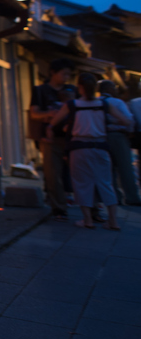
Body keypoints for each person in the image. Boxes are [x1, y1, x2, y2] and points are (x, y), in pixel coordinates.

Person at [48, 73, 129, 229]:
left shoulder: (72, 105)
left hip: (79, 147)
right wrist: (108, 124)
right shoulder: (104, 104)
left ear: (80, 88)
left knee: (82, 183)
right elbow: (125, 120)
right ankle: (113, 221)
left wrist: (52, 130)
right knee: (106, 183)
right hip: (100, 146)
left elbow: (54, 122)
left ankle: (87, 220)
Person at [30, 59, 74, 218]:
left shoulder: (72, 89)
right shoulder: (41, 91)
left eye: (69, 74)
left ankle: (86, 205)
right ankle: (59, 207)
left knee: (75, 172)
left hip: (71, 137)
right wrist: (49, 114)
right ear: (53, 73)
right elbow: (33, 113)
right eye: (64, 73)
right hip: (49, 138)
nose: (66, 77)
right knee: (53, 174)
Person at [98, 79, 140, 206]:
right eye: (113, 87)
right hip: (118, 136)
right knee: (125, 168)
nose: (116, 89)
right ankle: (132, 197)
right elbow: (129, 120)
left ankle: (115, 197)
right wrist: (130, 132)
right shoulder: (117, 102)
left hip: (101, 137)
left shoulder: (96, 102)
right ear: (108, 89)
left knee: (109, 169)